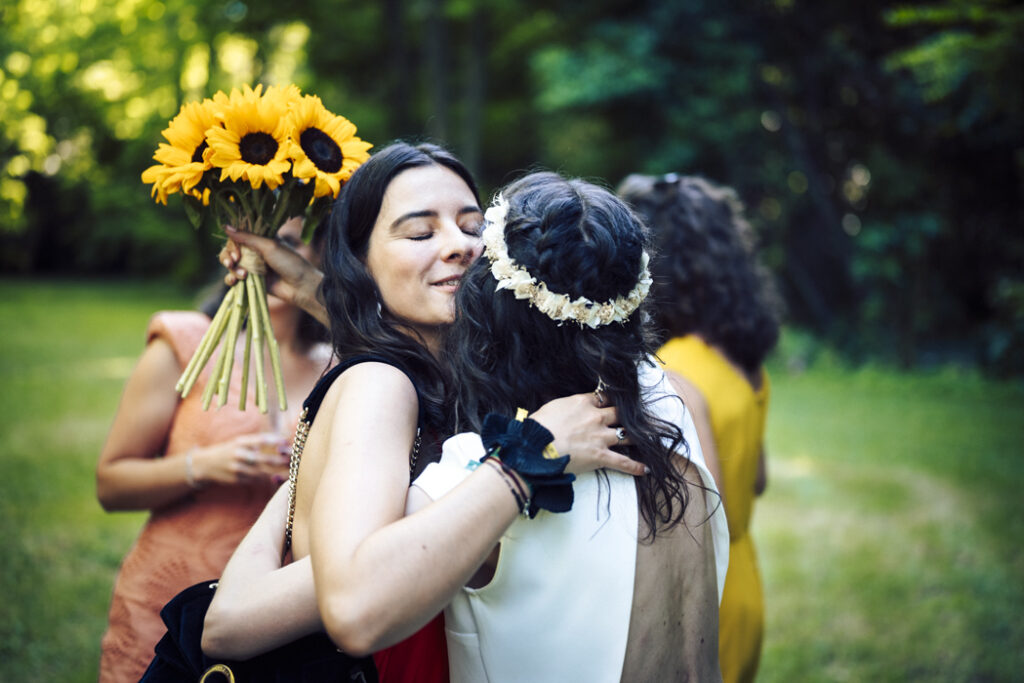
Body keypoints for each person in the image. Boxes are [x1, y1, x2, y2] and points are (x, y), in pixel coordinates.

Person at [204, 159, 728, 681]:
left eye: (475, 228)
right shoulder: (663, 398)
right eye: (418, 232)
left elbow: (242, 618)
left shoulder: (483, 440)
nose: (460, 245)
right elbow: (236, 621)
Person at [96, 217, 332, 683]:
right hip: (165, 596)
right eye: (256, 242)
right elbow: (110, 484)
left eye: (285, 244)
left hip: (280, 612)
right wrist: (204, 465)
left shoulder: (343, 360)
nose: (266, 257)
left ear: (322, 258)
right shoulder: (188, 341)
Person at [618, 173, 780, 683]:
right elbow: (756, 480)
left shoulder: (671, 370)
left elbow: (705, 518)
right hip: (747, 590)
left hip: (705, 600)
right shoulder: (745, 362)